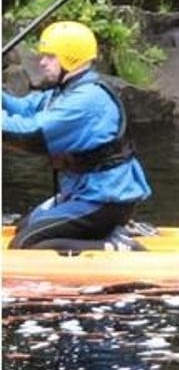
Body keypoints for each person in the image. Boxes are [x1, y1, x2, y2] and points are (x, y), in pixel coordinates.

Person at [3, 20, 151, 251]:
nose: (42, 63)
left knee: (26, 244)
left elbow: (31, 134)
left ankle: (115, 245)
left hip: (104, 201)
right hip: (82, 193)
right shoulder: (66, 91)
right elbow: (23, 109)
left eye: (50, 56)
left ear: (70, 58)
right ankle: (106, 233)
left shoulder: (86, 100)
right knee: (23, 227)